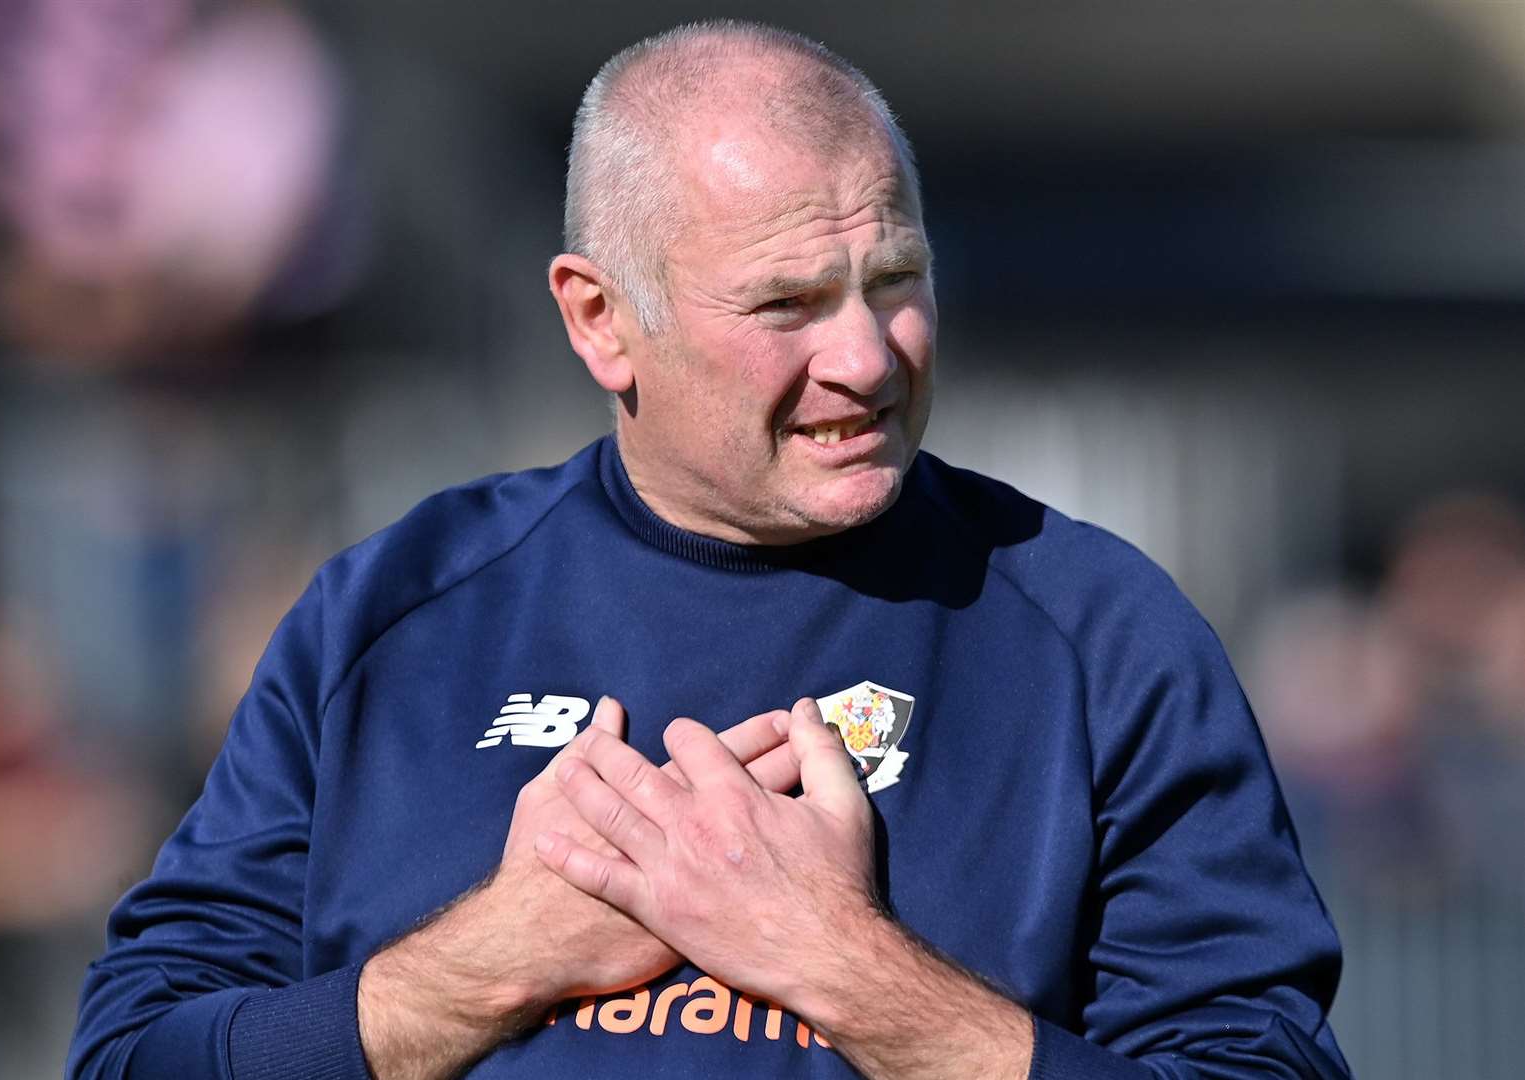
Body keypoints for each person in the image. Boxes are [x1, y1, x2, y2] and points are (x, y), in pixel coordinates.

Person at [68, 21, 1351, 1080]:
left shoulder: (1101, 635)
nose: (863, 357)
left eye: (893, 280)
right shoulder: (388, 618)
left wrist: (838, 965)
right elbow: (135, 1056)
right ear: (600, 320)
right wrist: (491, 964)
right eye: (785, 304)